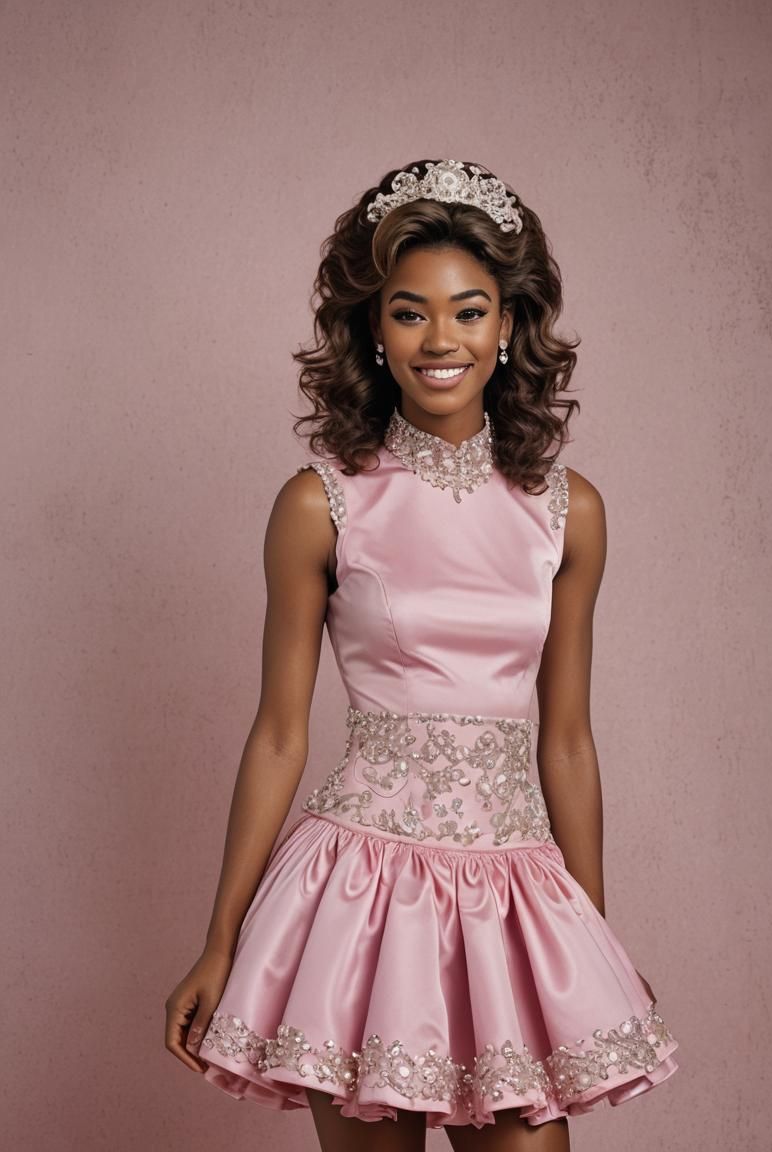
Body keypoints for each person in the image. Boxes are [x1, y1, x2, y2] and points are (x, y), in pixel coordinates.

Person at [165, 158, 679, 1152]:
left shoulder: (569, 513)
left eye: (469, 310)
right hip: (359, 895)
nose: (440, 340)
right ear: (371, 327)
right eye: (409, 312)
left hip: (514, 892)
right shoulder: (320, 503)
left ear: (508, 325)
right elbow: (278, 735)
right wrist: (219, 941)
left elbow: (565, 740)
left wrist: (591, 945)